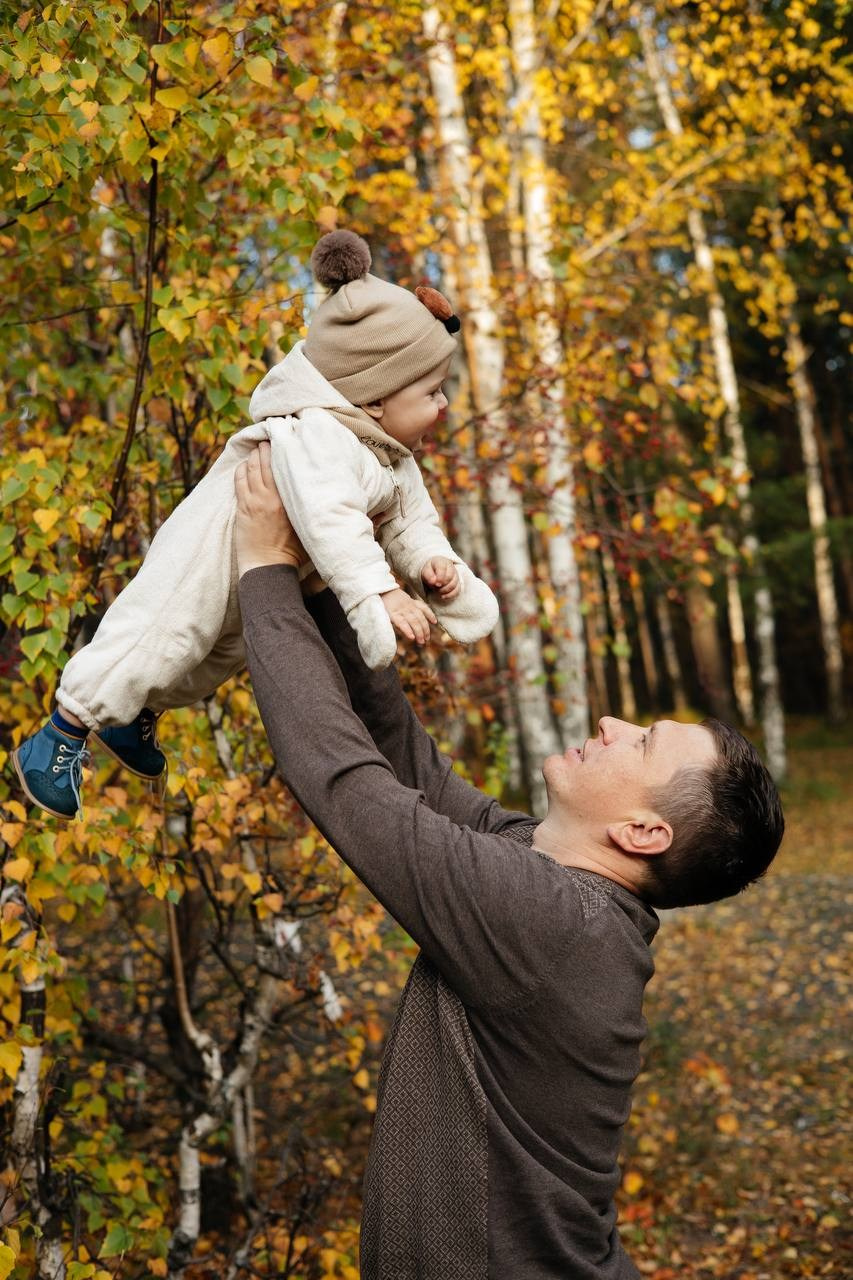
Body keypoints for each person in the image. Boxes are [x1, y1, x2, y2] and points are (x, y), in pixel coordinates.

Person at [233, 442, 785, 1280]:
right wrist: (329, 584)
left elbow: (343, 782)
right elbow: (406, 768)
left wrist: (262, 568)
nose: (609, 725)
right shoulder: (547, 874)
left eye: (637, 743)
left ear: (642, 835)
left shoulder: (548, 920)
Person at [13, 231, 497, 820]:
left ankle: (131, 719)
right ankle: (61, 734)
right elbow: (332, 518)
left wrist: (429, 565)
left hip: (266, 564)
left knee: (213, 658)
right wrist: (382, 593)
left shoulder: (389, 452)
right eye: (432, 391)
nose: (444, 405)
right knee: (162, 635)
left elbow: (409, 521)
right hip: (208, 550)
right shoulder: (319, 434)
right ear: (373, 398)